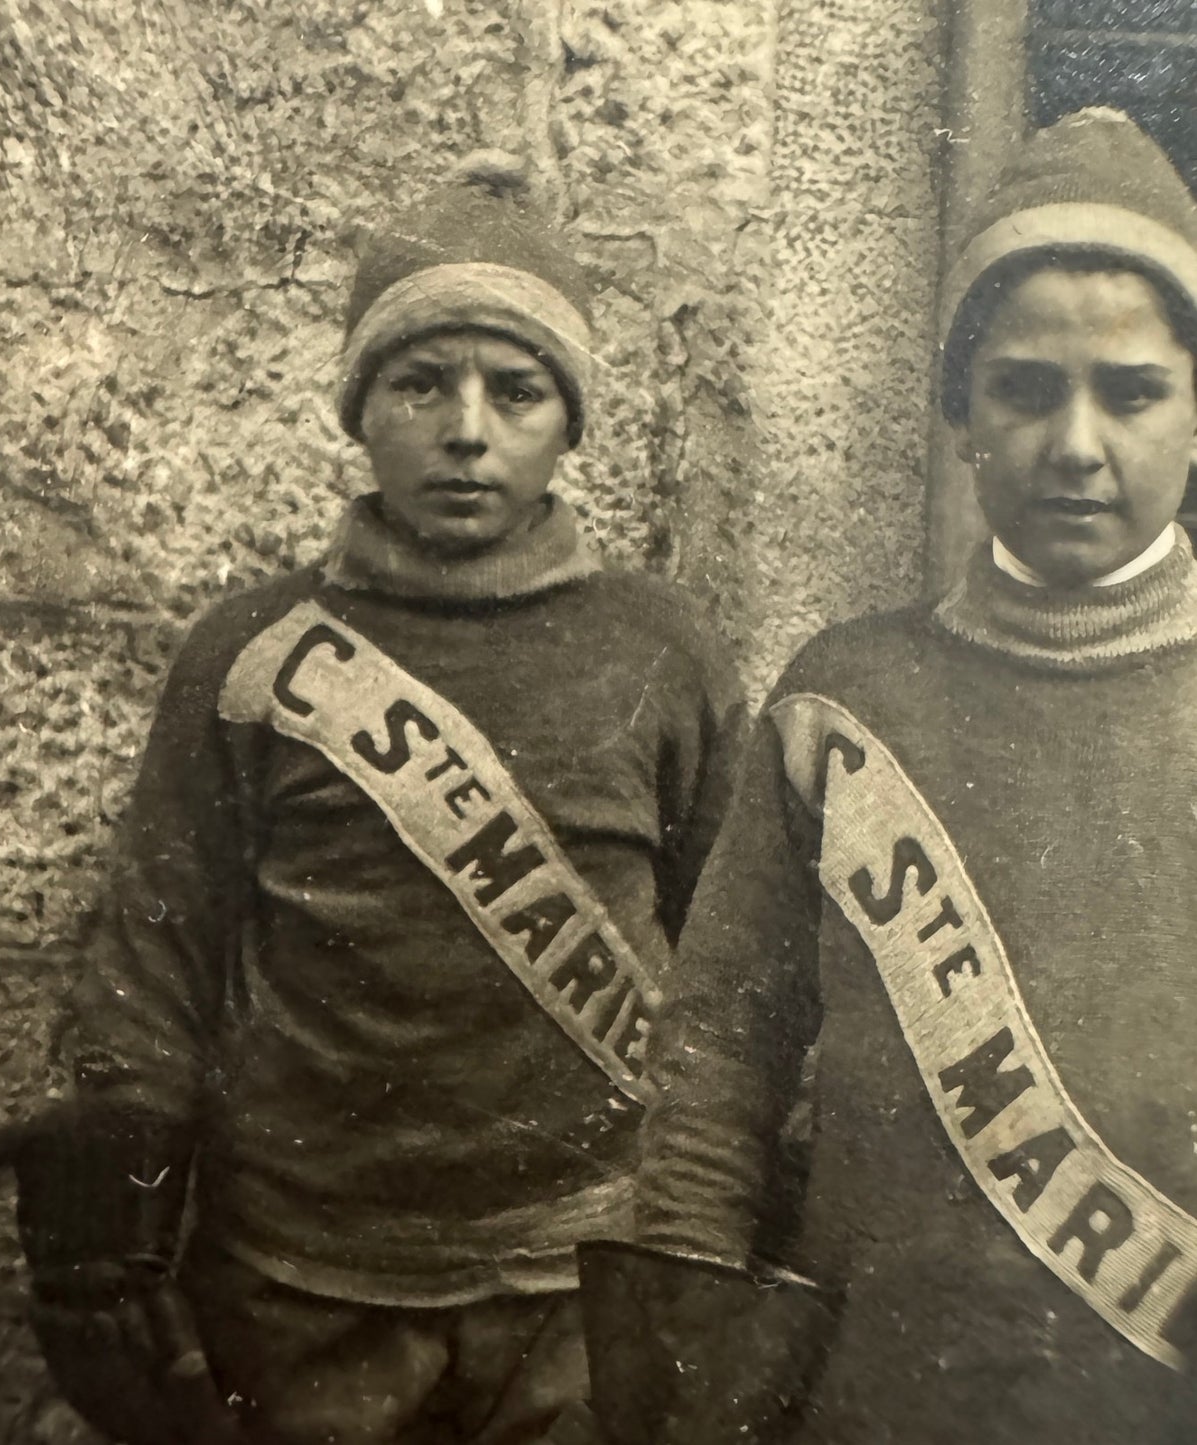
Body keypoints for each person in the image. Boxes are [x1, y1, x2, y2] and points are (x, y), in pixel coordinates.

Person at [15, 159, 742, 1445]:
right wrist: (102, 1241)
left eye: (515, 391)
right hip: (303, 1278)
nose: (466, 429)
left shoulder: (659, 652)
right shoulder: (253, 650)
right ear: (359, 411)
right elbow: (154, 953)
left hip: (575, 1284)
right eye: (420, 383)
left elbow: (738, 971)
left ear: (569, 424)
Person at [579, 109, 1197, 1445]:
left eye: (1132, 392)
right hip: (888, 1388)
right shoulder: (844, 699)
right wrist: (690, 1338)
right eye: (1026, 389)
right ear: (961, 414)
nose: (1078, 444)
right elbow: (718, 1060)